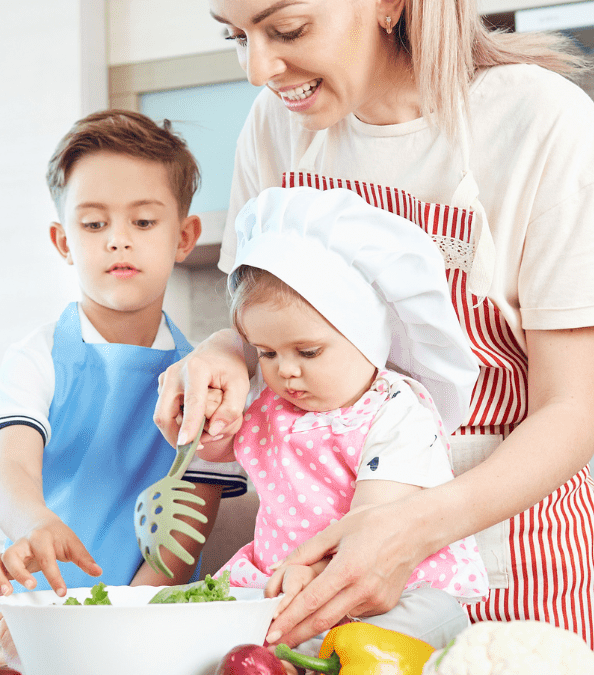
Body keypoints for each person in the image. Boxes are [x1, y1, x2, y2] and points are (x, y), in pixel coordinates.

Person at [154, 0, 594, 660]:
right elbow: (258, 313)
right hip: (322, 559)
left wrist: (408, 528)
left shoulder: (542, 121)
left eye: (287, 30)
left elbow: (571, 409)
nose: (259, 68)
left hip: (515, 548)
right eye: (237, 36)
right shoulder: (275, 127)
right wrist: (225, 352)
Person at [198, 186, 489, 655]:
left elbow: (376, 515)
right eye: (267, 352)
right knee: (215, 636)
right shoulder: (271, 406)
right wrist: (210, 427)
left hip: (391, 587)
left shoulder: (395, 410)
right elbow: (221, 451)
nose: (285, 369)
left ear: (366, 336)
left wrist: (316, 577)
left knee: (423, 619)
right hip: (285, 584)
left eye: (307, 352)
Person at [0, 109, 248, 603]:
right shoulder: (35, 358)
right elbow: (12, 469)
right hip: (40, 611)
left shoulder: (205, 383)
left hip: (146, 616)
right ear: (64, 242)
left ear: (184, 237)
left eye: (143, 221)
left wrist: (123, 617)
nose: (117, 238)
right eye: (93, 223)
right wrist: (34, 521)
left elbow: (185, 534)